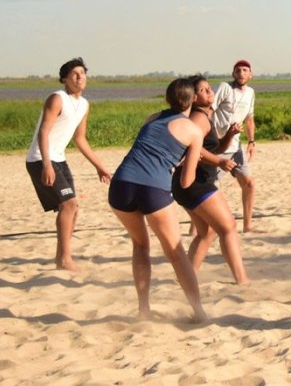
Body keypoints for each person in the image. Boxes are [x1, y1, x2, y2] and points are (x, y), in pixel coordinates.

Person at [107, 78, 208, 322]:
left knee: (141, 246)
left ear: (167, 99)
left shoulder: (151, 118)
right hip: (153, 188)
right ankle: (199, 311)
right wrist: (181, 163)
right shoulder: (194, 131)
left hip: (121, 185)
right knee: (176, 253)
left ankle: (144, 309)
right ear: (194, 99)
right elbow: (186, 181)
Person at [24, 57, 113, 271]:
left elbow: (80, 139)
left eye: (83, 73)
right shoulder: (57, 98)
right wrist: (46, 164)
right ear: (65, 78)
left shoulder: (83, 104)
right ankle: (64, 260)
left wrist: (99, 165)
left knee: (73, 208)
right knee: (69, 204)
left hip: (59, 158)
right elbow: (44, 131)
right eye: (75, 73)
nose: (80, 77)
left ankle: (61, 258)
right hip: (40, 159)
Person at [170, 74, 249, 284]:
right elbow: (192, 147)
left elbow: (215, 147)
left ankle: (188, 278)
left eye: (209, 88)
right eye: (203, 90)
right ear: (193, 98)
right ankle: (241, 280)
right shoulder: (198, 118)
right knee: (228, 227)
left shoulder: (206, 116)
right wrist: (219, 162)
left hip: (190, 184)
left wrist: (230, 136)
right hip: (194, 182)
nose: (210, 91)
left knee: (207, 232)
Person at [213, 60, 260, 232]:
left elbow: (249, 118)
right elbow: (209, 110)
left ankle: (248, 226)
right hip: (220, 146)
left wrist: (252, 141)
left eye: (245, 70)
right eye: (238, 70)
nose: (241, 73)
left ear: (250, 74)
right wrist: (213, 135)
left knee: (249, 183)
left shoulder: (251, 93)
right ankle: (195, 230)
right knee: (209, 187)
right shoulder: (225, 87)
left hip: (237, 145)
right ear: (233, 73)